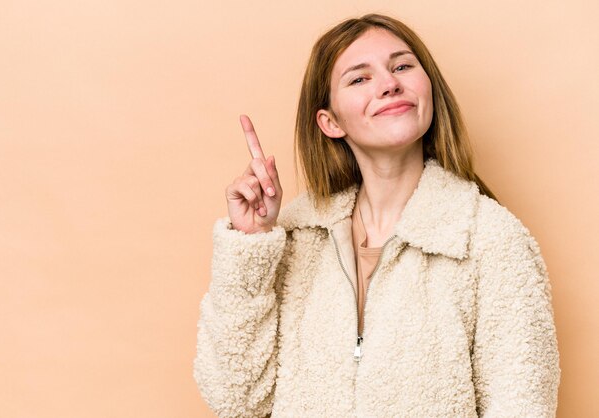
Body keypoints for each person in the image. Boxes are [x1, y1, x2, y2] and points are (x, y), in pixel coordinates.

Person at [193, 13, 561, 417]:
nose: (389, 84)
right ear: (330, 122)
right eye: (359, 78)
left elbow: (523, 406)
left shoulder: (490, 240)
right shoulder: (299, 236)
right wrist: (251, 244)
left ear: (429, 91)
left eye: (402, 66)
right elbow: (236, 397)